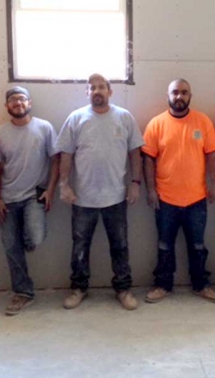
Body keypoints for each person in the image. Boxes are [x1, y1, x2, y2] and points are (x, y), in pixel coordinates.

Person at [55, 73, 143, 311]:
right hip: (83, 198)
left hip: (116, 196)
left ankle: (123, 289)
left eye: (101, 87)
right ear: (87, 93)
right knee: (80, 247)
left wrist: (135, 182)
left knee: (120, 245)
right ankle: (78, 289)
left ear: (110, 92)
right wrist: (64, 184)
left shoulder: (124, 117)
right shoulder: (76, 118)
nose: (97, 91)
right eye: (92, 87)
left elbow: (135, 152)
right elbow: (66, 154)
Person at [142, 78, 215, 304]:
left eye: (184, 92)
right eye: (175, 92)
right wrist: (150, 190)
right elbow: (148, 159)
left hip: (197, 198)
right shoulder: (156, 124)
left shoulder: (203, 121)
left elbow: (212, 156)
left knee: (198, 246)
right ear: (168, 96)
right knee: (164, 245)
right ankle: (162, 285)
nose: (179, 96)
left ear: (190, 95)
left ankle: (201, 285)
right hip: (165, 199)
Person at [0, 86, 59, 316]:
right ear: (7, 106)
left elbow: (55, 160)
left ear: (29, 103)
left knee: (36, 237)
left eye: (22, 99)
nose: (18, 103)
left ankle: (26, 237)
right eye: (13, 100)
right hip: (8, 198)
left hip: (34, 196)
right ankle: (23, 293)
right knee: (11, 247)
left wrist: (50, 189)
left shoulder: (44, 127)